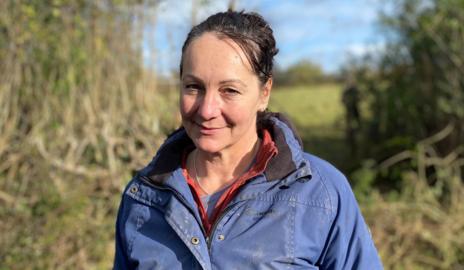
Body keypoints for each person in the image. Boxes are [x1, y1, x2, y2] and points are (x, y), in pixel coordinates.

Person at [114, 10, 383, 269]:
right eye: (193, 87)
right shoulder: (143, 196)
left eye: (229, 90)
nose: (207, 110)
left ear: (264, 93)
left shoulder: (320, 193)